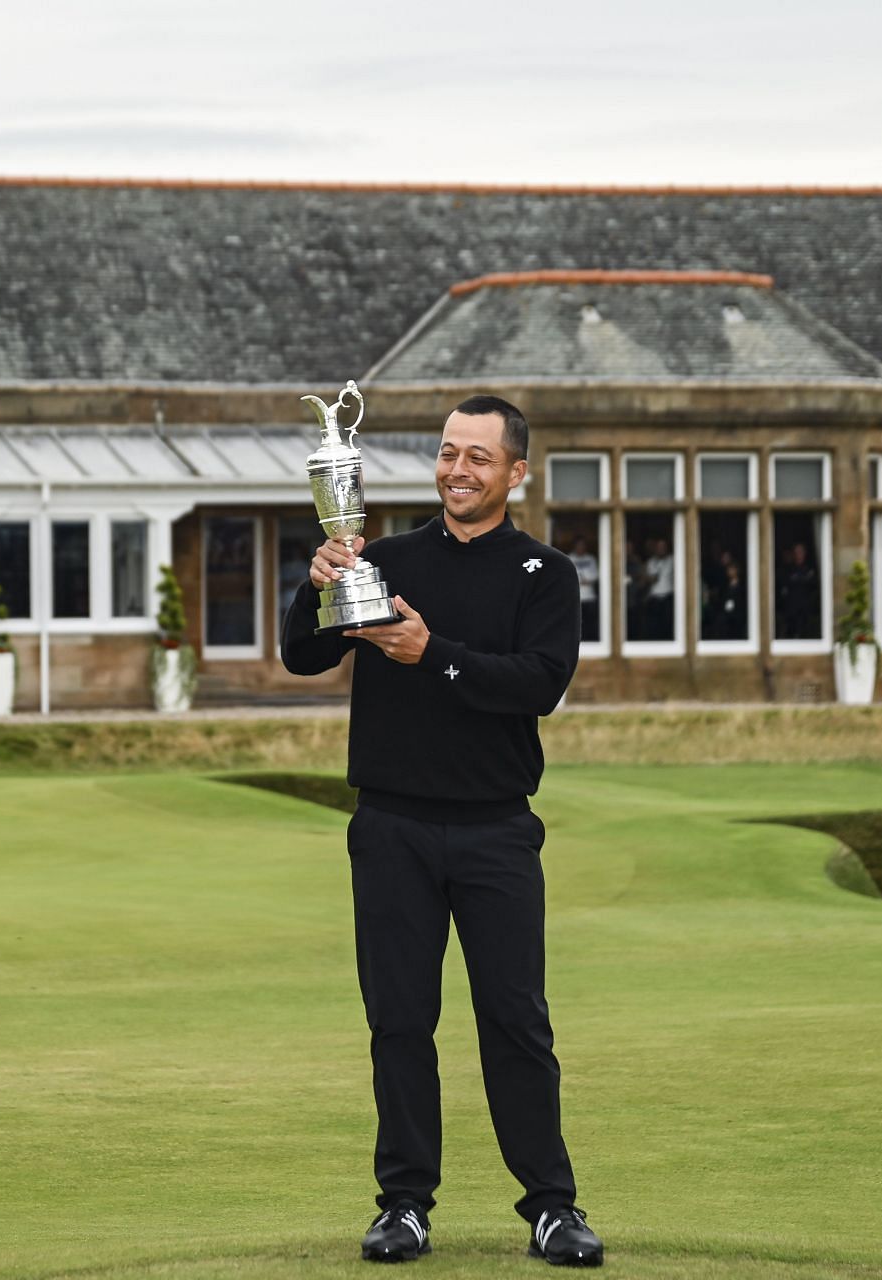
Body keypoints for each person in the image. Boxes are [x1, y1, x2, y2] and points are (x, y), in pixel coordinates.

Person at [281, 394, 604, 1268]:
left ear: (516, 474)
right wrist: (313, 589)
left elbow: (538, 682)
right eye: (447, 452)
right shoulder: (383, 558)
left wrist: (436, 654)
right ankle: (404, 1206)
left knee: (515, 1022)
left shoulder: (546, 574)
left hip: (497, 831)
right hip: (391, 826)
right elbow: (305, 656)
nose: (458, 470)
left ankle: (551, 1206)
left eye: (479, 458)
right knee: (399, 1022)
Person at [567, 535, 600, 643]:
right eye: (578, 545)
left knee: (590, 624)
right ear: (575, 546)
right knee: (576, 625)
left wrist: (585, 580)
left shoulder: (591, 558)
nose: (580, 548)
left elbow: (595, 575)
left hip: (590, 598)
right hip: (575, 599)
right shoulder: (569, 558)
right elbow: (567, 577)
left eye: (582, 545)